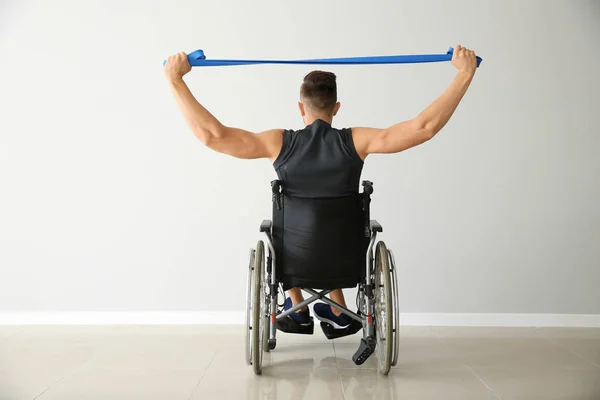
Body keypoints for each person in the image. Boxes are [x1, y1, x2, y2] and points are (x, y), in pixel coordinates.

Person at [164, 45, 478, 336]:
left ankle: (296, 305)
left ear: (301, 106)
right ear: (336, 107)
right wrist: (464, 74)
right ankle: (335, 306)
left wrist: (175, 80)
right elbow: (424, 128)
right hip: (346, 256)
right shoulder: (357, 140)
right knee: (329, 226)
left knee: (282, 226)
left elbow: (212, 136)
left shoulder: (278, 143)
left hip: (295, 259)